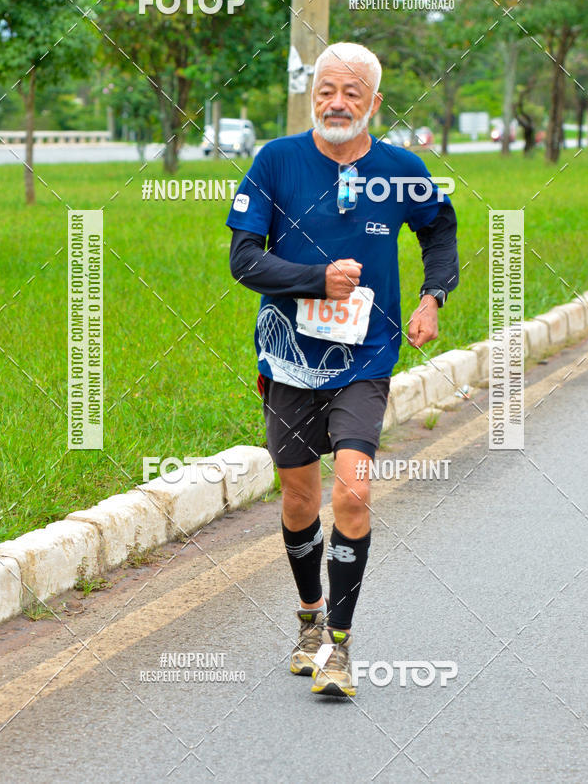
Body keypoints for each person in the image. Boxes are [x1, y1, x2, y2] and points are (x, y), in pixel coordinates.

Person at [226, 42, 458, 697]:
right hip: (290, 358)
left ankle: (339, 648)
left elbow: (440, 231)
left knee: (352, 492)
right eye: (326, 89)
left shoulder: (400, 168)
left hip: (368, 356)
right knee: (300, 499)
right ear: (313, 95)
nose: (336, 102)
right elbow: (244, 261)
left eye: (351, 92)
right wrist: (314, 281)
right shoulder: (276, 161)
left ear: (374, 102)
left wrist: (431, 296)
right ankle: (309, 617)